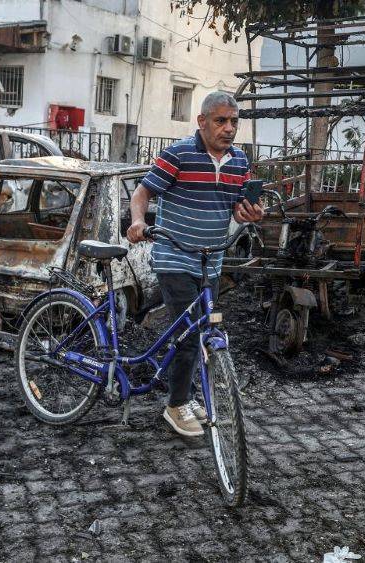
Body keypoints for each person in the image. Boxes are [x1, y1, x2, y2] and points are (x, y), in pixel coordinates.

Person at [126, 91, 264, 438]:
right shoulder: (178, 155)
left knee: (202, 332)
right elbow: (141, 193)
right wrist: (138, 221)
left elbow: (236, 206)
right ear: (202, 122)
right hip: (175, 257)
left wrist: (251, 212)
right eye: (221, 121)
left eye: (234, 121)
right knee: (188, 334)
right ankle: (175, 406)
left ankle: (185, 395)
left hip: (212, 262)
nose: (229, 128)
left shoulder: (239, 162)